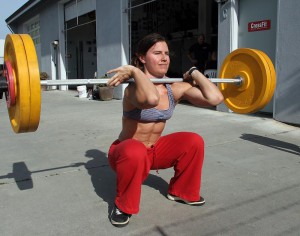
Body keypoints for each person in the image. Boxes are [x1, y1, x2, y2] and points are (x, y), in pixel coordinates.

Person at [106, 33, 224, 227]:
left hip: (153, 152)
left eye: (167, 53)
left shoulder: (174, 87)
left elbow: (215, 99)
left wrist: (194, 73)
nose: (164, 58)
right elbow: (151, 99)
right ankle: (123, 206)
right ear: (142, 58)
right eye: (157, 53)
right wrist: (136, 73)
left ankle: (181, 191)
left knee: (193, 141)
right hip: (125, 154)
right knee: (134, 150)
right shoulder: (133, 89)